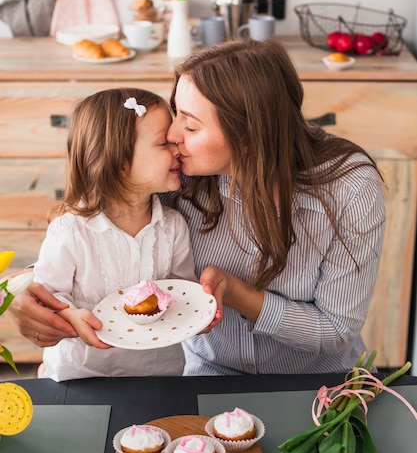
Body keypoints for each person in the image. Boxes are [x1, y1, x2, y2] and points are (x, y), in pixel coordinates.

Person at [9, 39, 385, 376]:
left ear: (249, 137)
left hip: (315, 382)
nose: (172, 136)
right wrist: (21, 292)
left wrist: (236, 293)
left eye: (190, 125)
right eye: (177, 116)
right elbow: (106, 230)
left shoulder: (349, 190)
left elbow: (336, 330)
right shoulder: (178, 172)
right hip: (205, 372)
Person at [29, 87, 195, 381]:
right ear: (119, 163)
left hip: (162, 373)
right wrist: (70, 317)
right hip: (81, 374)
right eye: (162, 144)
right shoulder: (71, 230)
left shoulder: (173, 226)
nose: (177, 150)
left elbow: (183, 291)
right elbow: (48, 295)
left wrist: (198, 313)